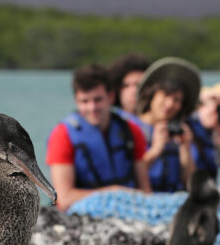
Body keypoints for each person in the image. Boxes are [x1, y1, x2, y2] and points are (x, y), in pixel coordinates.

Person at [45, 63, 151, 211]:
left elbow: (145, 191)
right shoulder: (62, 135)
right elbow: (64, 198)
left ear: (111, 97)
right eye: (84, 101)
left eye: (97, 99)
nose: (92, 107)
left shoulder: (132, 131)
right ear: (76, 101)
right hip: (81, 215)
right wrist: (113, 193)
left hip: (128, 211)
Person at [132, 57, 201, 192]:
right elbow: (127, 177)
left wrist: (185, 149)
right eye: (166, 95)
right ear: (152, 94)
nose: (170, 104)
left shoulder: (180, 133)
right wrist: (155, 150)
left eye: (177, 100)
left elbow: (191, 184)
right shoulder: (129, 128)